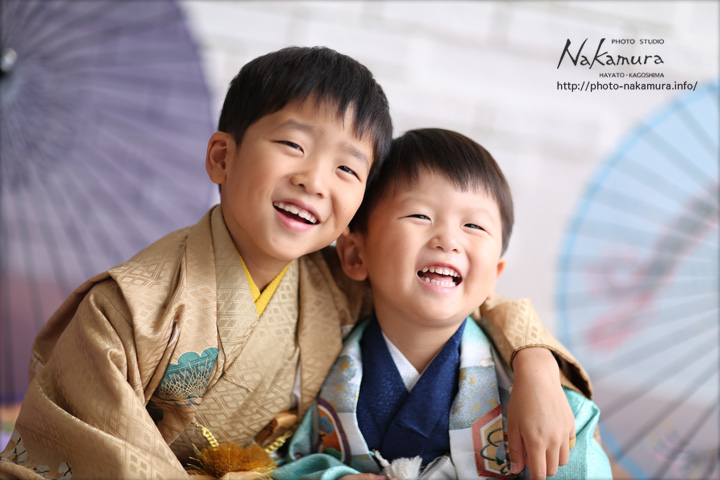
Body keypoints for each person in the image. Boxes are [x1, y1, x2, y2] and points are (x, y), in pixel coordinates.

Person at [0, 48, 590, 480]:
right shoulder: (127, 307)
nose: (314, 179)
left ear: (357, 215)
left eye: (346, 168)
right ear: (222, 157)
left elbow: (455, 294)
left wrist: (535, 366)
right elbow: (93, 453)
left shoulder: (336, 280)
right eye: (293, 145)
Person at [272, 129, 612, 480]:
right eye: (419, 216)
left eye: (474, 225)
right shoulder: (315, 366)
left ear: (494, 276)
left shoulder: (535, 396)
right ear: (356, 254)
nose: (448, 240)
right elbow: (281, 461)